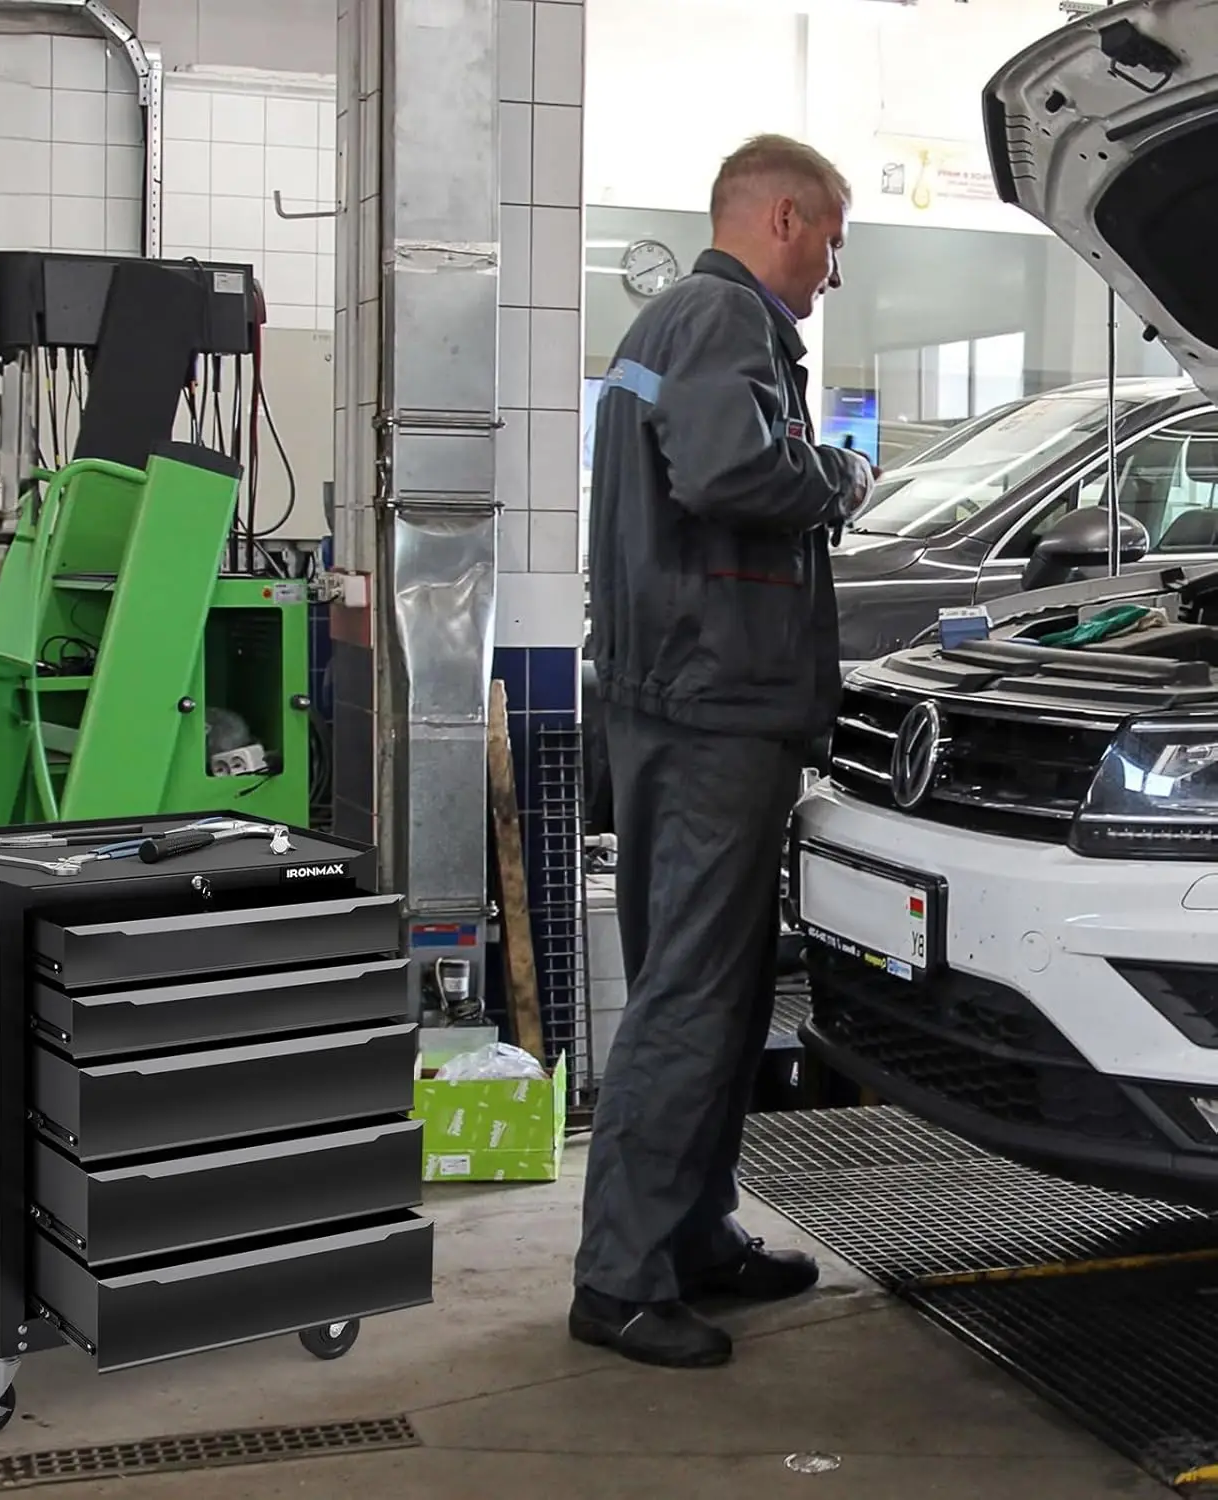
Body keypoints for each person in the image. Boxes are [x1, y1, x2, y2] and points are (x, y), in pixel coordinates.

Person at [570, 134, 876, 1369]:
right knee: (693, 994)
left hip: (681, 701)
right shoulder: (723, 319)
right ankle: (621, 1276)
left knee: (718, 985)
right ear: (788, 219)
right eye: (836, 249)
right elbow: (732, 468)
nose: (831, 279)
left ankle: (693, 1234)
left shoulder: (668, 326)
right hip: (711, 711)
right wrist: (843, 475)